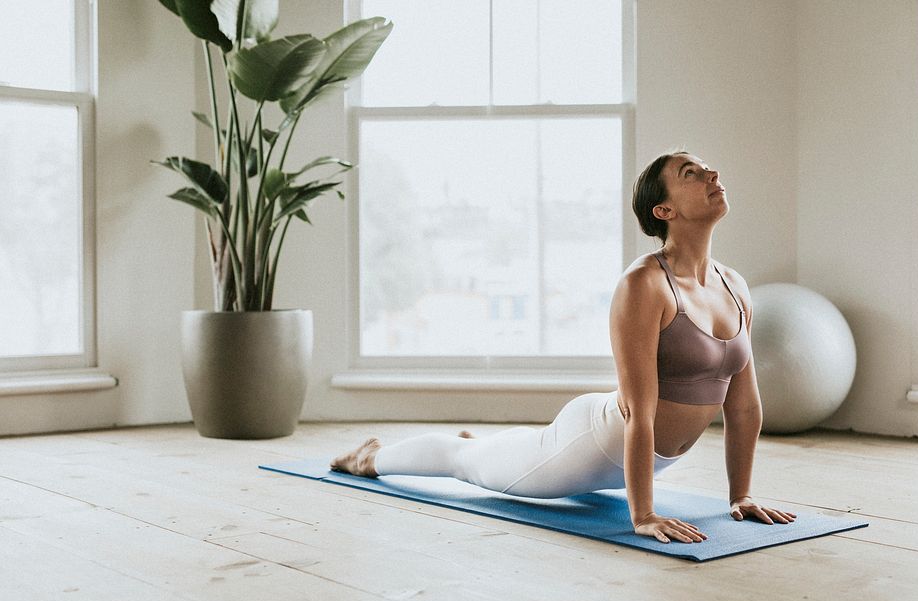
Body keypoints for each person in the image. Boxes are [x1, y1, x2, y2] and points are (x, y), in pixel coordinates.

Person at [331, 151, 796, 544]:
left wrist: (742, 495)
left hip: (653, 456)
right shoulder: (644, 284)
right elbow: (639, 412)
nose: (711, 175)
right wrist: (643, 516)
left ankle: (497, 447)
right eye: (690, 174)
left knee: (498, 452)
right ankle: (368, 458)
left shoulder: (733, 285)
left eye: (708, 168)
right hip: (597, 443)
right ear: (664, 211)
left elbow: (743, 406)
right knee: (466, 464)